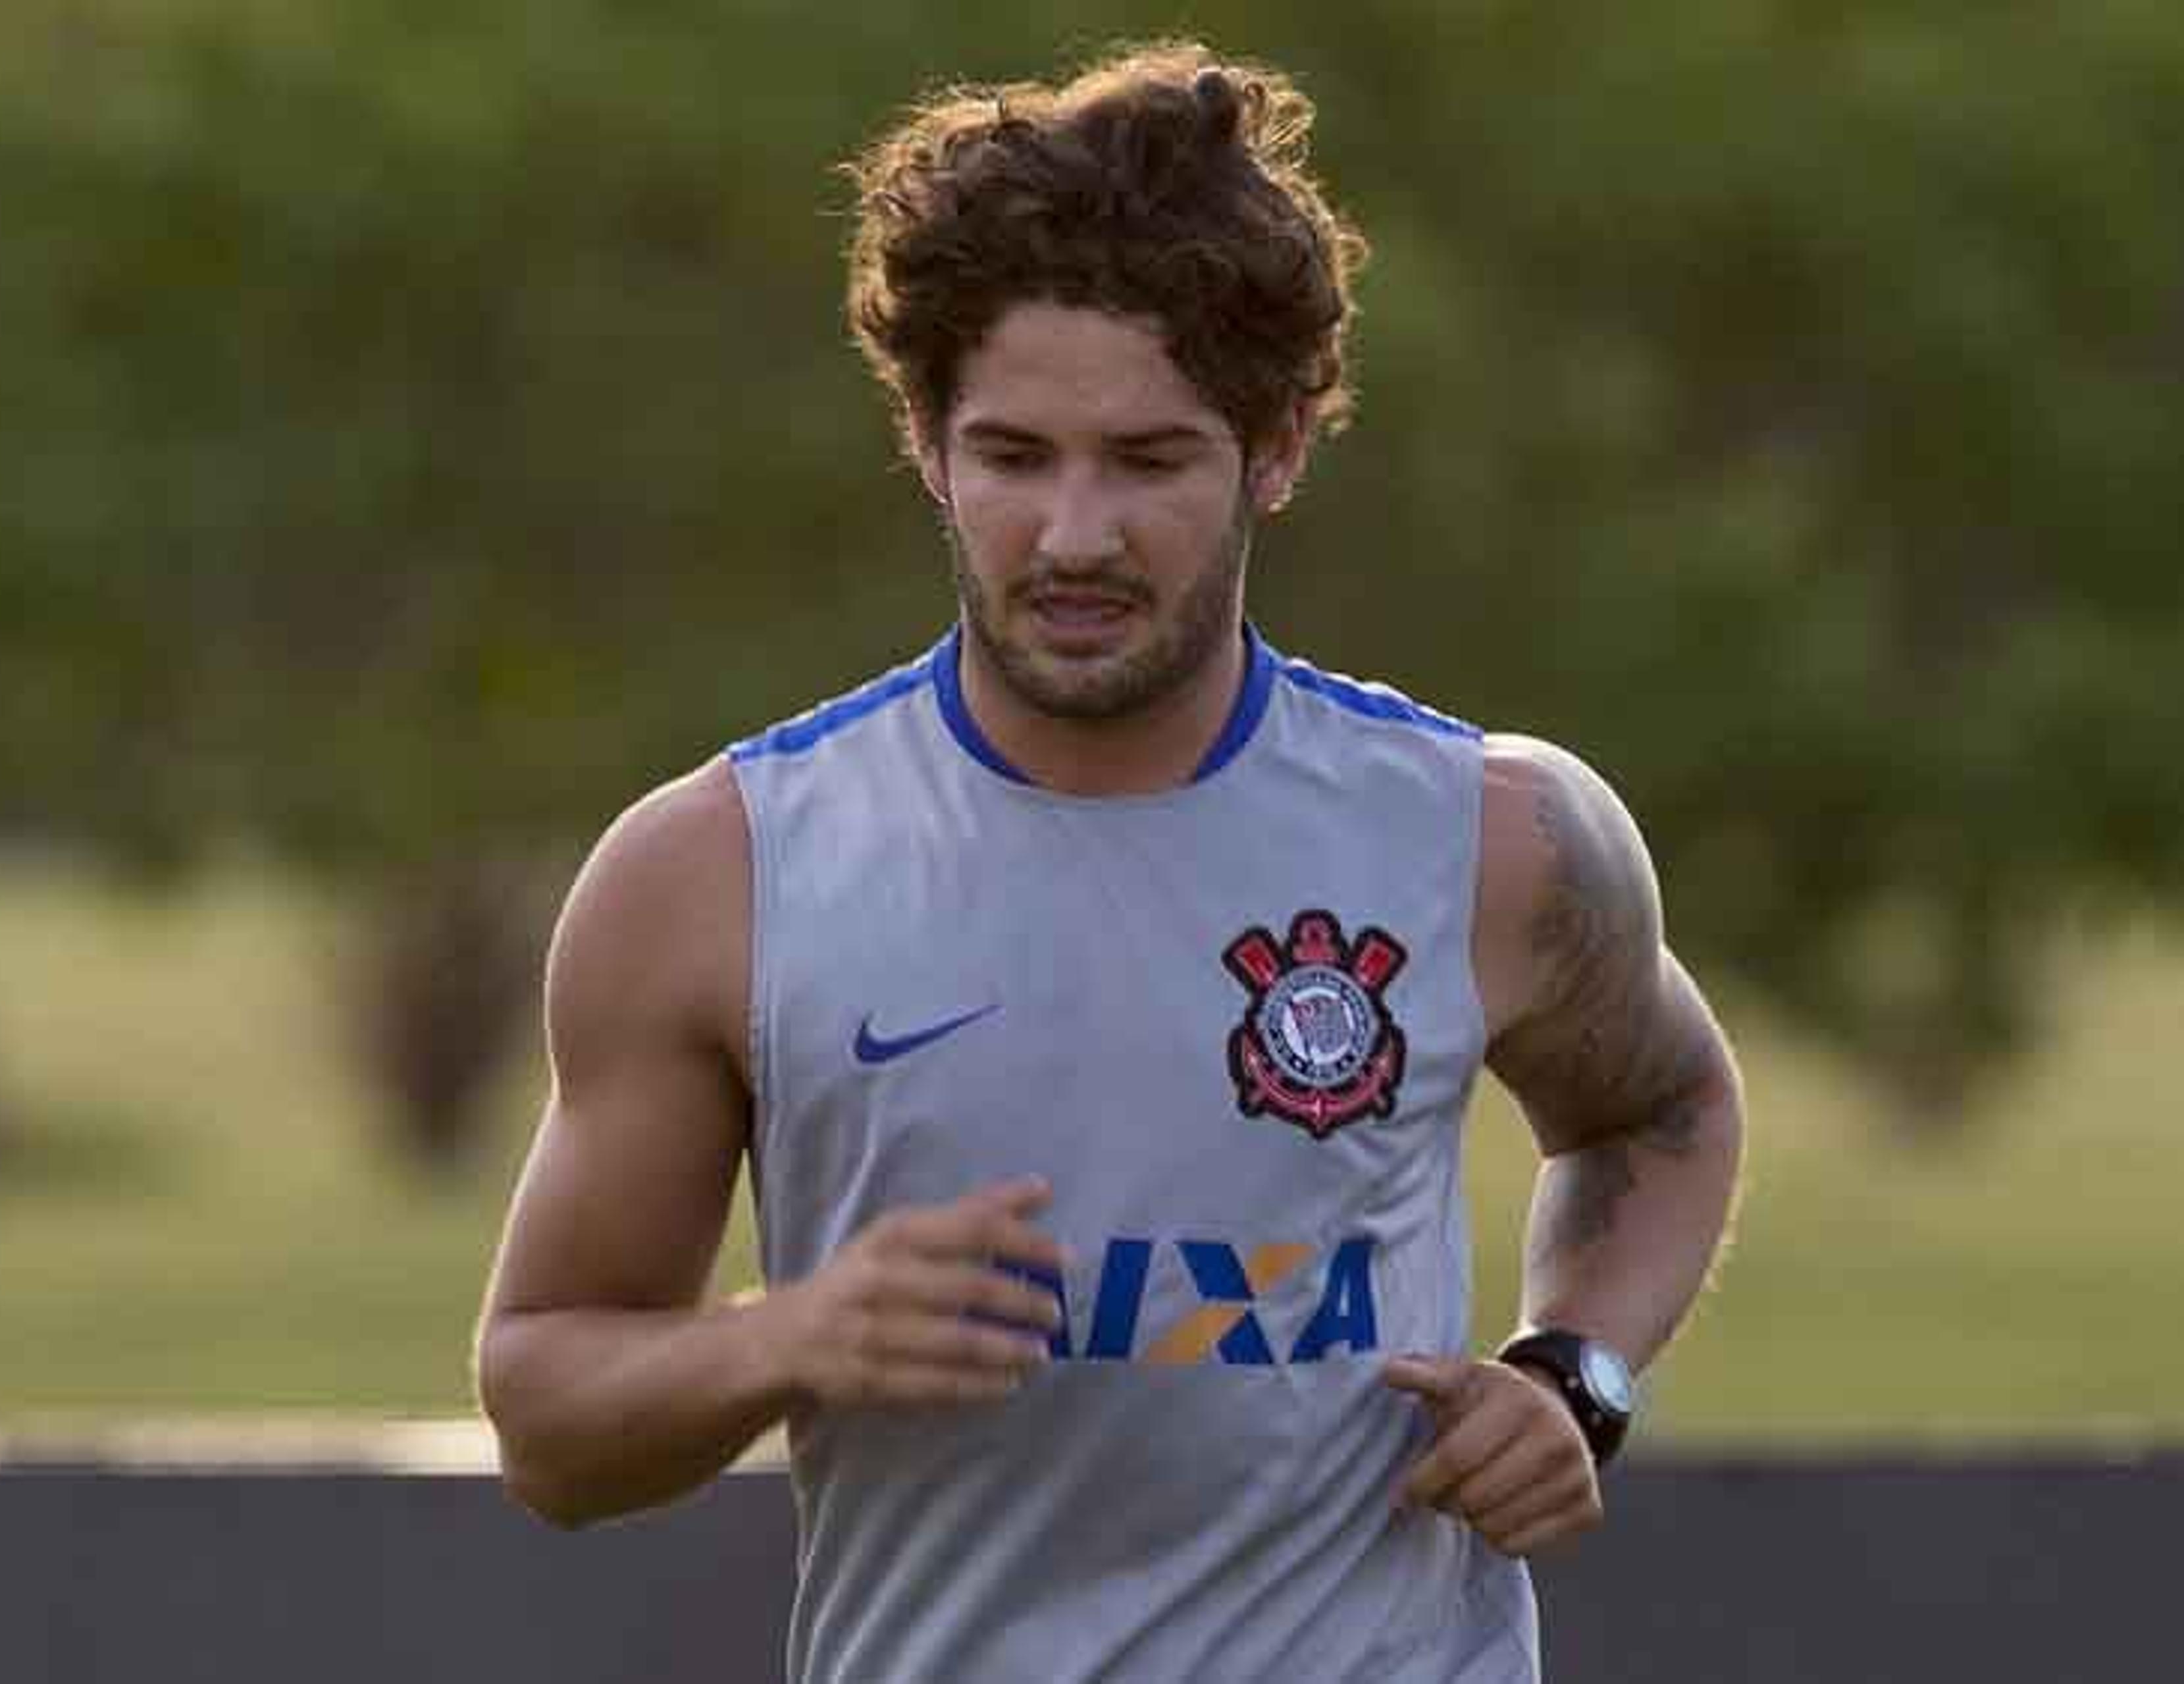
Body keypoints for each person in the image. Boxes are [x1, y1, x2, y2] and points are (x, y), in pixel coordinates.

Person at [475, 39, 1744, 1683]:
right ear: (927, 442)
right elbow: (547, 1414)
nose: (1076, 537)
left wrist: (1574, 1377)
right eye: (1015, 459)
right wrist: (786, 1339)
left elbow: (1663, 1108)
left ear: (1277, 450)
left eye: (1149, 462)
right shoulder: (720, 871)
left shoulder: (1493, 835)